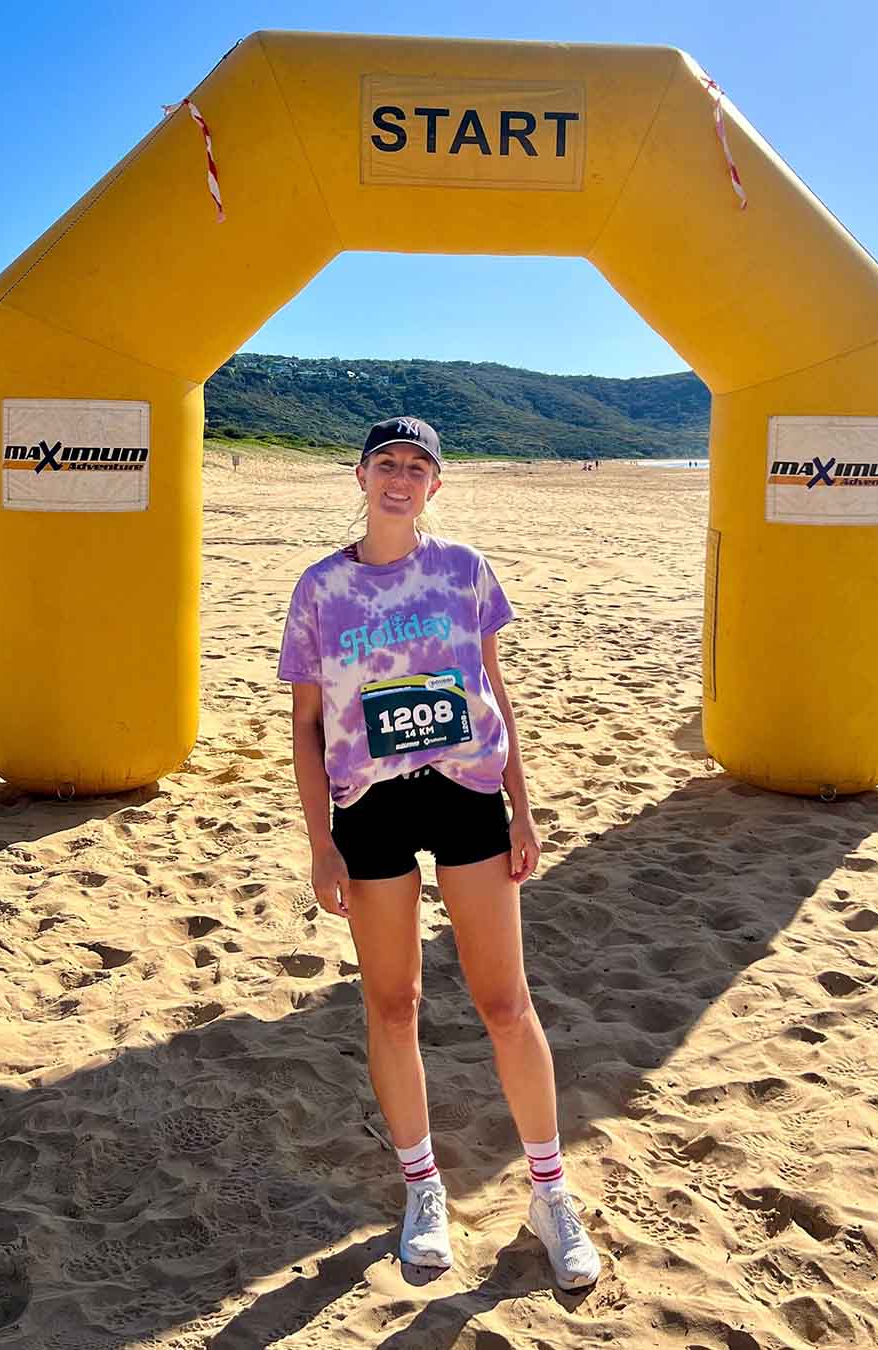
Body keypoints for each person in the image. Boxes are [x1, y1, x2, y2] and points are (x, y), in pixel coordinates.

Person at [277, 416, 601, 1291]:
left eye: (417, 467)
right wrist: (321, 843)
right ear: (359, 475)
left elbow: (496, 689)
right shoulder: (319, 588)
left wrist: (523, 810)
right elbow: (306, 728)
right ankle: (422, 1189)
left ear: (436, 486)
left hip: (466, 793)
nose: (400, 477)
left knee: (505, 1000)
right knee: (394, 1002)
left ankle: (549, 1192)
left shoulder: (464, 570)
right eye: (387, 462)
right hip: (370, 803)